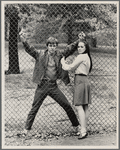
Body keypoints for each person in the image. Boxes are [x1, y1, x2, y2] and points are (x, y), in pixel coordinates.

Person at [19, 29, 81, 136]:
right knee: (34, 107)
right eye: (50, 45)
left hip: (53, 86)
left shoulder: (59, 55)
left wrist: (79, 40)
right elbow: (30, 49)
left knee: (66, 105)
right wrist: (24, 40)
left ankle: (76, 126)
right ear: (47, 46)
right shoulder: (40, 54)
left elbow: (69, 49)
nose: (52, 47)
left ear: (56, 46)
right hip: (42, 86)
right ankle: (26, 130)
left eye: (54, 45)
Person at [61, 35, 92, 139]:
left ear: (86, 48)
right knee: (85, 106)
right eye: (78, 47)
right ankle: (84, 128)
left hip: (80, 81)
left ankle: (83, 130)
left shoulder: (81, 56)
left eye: (82, 47)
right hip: (85, 80)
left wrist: (62, 62)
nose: (79, 48)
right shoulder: (87, 56)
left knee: (78, 106)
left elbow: (70, 67)